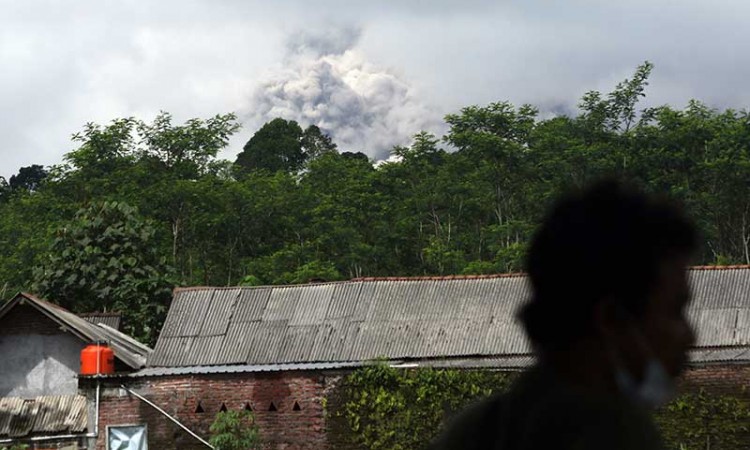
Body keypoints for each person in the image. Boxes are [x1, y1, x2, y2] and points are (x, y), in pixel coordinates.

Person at [429, 180, 697, 450]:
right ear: (611, 319)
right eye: (675, 310)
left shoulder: (477, 430)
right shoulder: (617, 434)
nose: (690, 335)